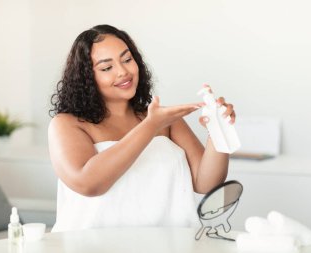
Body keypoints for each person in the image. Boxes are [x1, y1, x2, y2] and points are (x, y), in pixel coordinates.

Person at [48, 24, 236, 232]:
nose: (123, 72)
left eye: (127, 59)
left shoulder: (166, 121)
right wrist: (150, 126)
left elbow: (206, 184)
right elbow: (89, 184)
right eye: (106, 68)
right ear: (87, 78)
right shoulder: (67, 124)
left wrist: (217, 131)